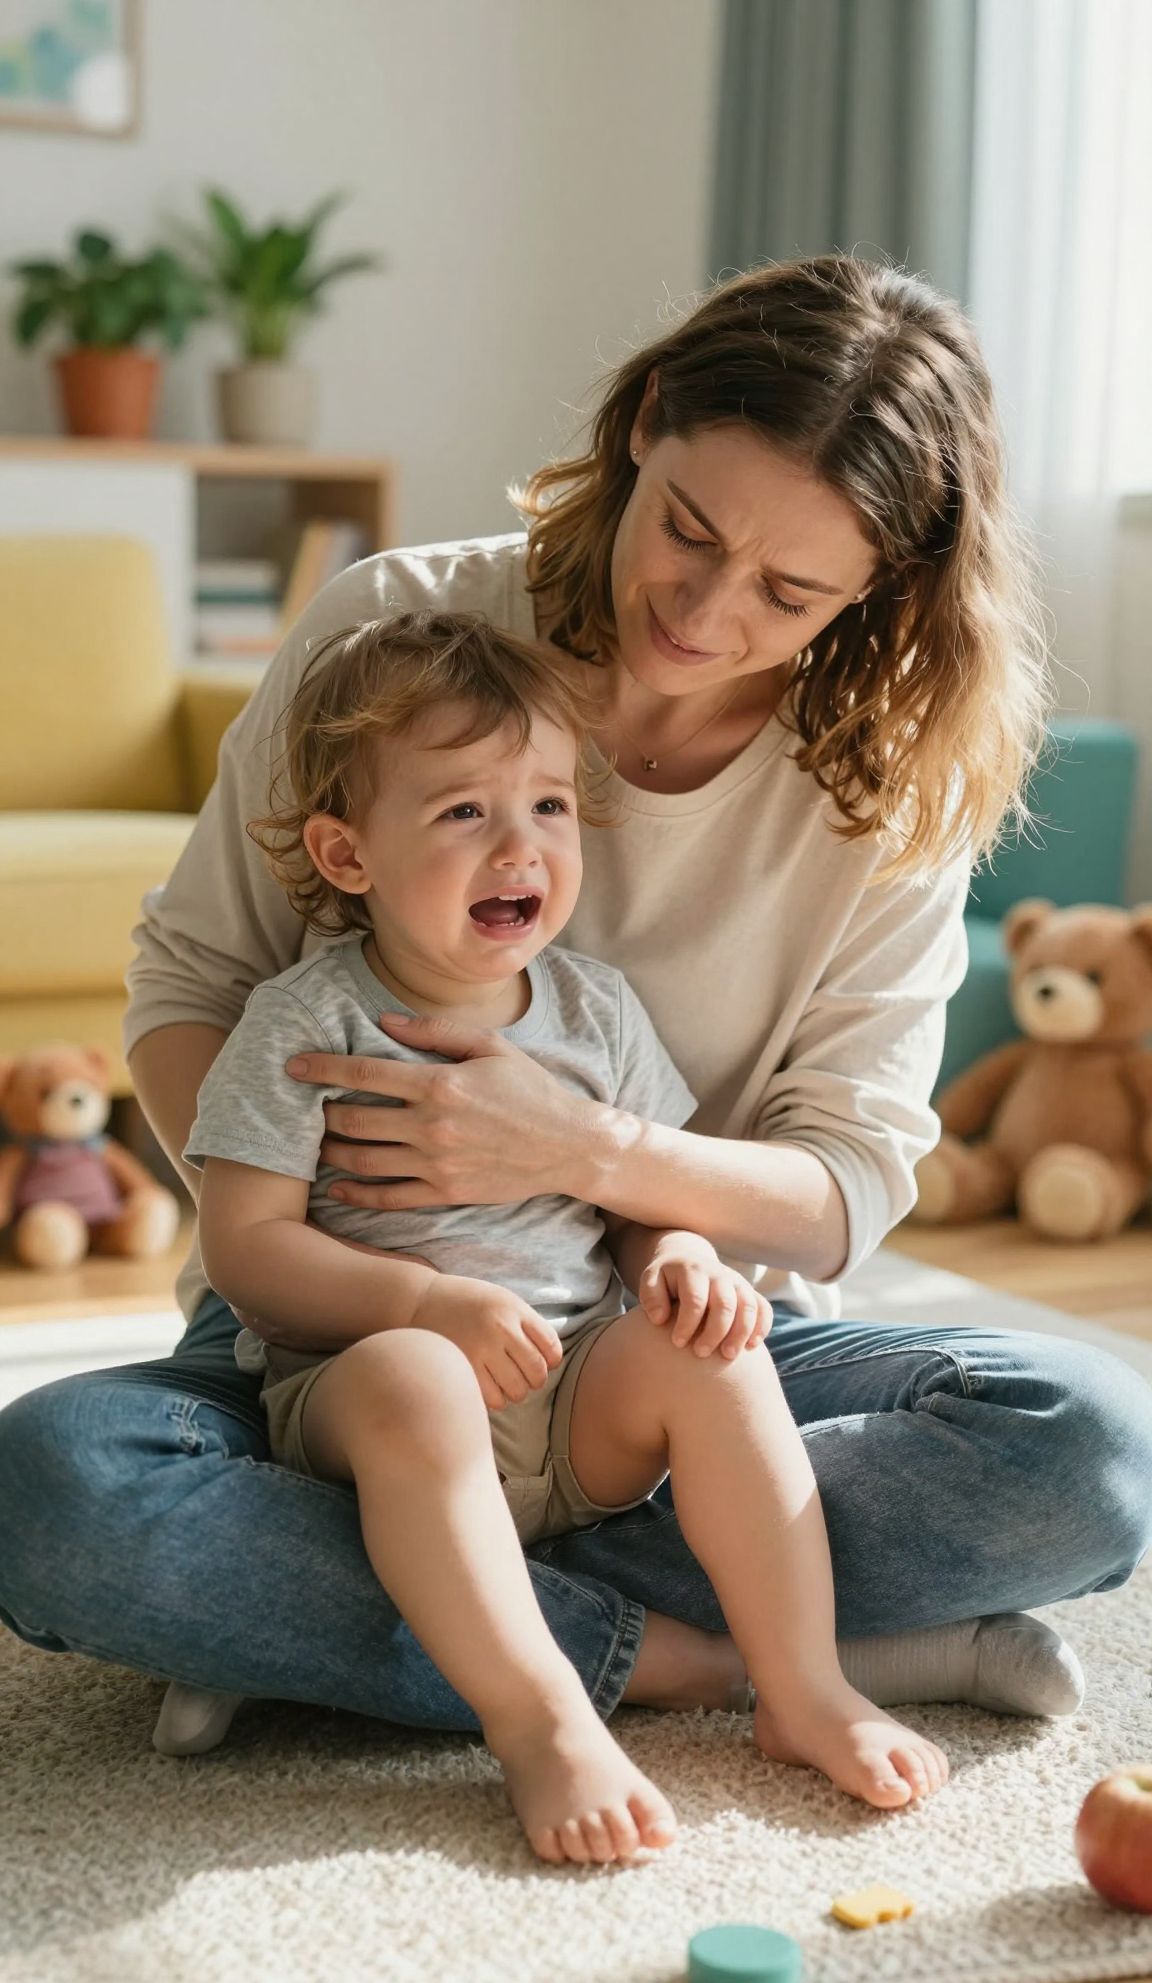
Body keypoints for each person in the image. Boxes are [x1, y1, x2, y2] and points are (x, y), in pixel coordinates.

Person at [2, 257, 1149, 1872]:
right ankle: (679, 1657)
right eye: (685, 525)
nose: (701, 609)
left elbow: (847, 1183)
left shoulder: (886, 777)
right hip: (350, 1319)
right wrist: (346, 1244)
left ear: (881, 593)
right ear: (639, 430)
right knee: (55, 1490)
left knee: (1092, 1444)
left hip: (659, 1320)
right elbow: (191, 983)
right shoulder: (394, 631)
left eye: (787, 591)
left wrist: (591, 1160)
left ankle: (355, 1626)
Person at [186, 607, 949, 1865]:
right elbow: (247, 1250)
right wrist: (423, 1306)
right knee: (402, 1382)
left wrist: (682, 1265)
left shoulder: (596, 1011)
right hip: (377, 1401)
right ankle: (542, 1715)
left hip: (571, 1394)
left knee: (714, 1352)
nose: (519, 845)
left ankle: (801, 1685)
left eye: (548, 804)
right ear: (347, 851)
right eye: (461, 812)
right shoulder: (305, 1019)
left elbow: (645, 1210)